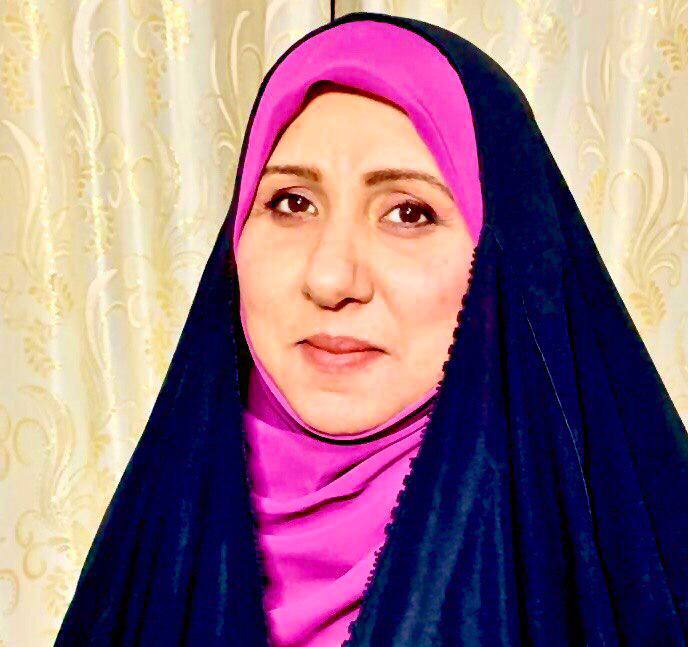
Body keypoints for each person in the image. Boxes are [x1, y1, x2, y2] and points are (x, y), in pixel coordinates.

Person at [54, 11, 688, 647]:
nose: (331, 279)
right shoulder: (148, 555)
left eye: (408, 213)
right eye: (291, 202)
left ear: (505, 254)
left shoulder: (622, 568)